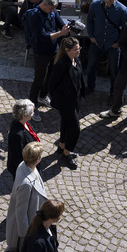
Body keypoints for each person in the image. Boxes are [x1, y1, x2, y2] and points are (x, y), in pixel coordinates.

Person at [0, 141, 46, 252]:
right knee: (18, 251)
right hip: (25, 226)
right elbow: (21, 211)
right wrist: (26, 233)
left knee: (16, 250)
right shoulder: (26, 184)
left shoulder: (24, 165)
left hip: (32, 218)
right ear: (37, 159)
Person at [24, 0, 70, 117]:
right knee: (39, 79)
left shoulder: (52, 11)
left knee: (51, 75)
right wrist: (61, 33)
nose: (53, 11)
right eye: (51, 8)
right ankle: (32, 106)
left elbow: (60, 23)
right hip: (41, 51)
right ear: (44, 5)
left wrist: (66, 28)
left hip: (53, 49)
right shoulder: (35, 16)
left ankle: (43, 96)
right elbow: (43, 36)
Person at [84, 0, 127, 96]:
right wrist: (91, 36)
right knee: (90, 67)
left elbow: (126, 29)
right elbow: (89, 20)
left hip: (112, 44)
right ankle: (90, 87)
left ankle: (113, 93)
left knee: (114, 71)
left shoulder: (122, 10)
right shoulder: (95, 5)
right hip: (97, 42)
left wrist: (118, 43)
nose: (113, 1)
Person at [49, 37, 83, 170]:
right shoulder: (61, 64)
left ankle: (62, 145)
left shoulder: (76, 60)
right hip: (65, 102)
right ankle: (67, 153)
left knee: (65, 123)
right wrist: (58, 99)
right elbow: (52, 83)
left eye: (79, 48)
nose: (79, 51)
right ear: (67, 50)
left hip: (74, 100)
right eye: (76, 49)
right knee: (75, 128)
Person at [4, 100, 39, 178]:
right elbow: (18, 158)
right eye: (31, 113)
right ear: (24, 116)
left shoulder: (24, 121)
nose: (33, 114)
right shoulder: (17, 135)